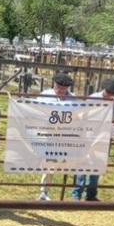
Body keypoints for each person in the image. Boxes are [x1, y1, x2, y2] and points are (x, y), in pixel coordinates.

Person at [71, 78, 114, 201]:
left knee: (97, 165)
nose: (111, 95)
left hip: (104, 138)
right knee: (83, 164)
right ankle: (76, 194)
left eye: (113, 93)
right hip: (88, 136)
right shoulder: (93, 98)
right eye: (109, 92)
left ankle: (91, 194)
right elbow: (82, 116)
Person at [36, 71, 76, 201]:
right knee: (47, 162)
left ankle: (44, 191)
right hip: (45, 133)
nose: (62, 90)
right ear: (55, 85)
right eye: (60, 87)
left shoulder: (73, 98)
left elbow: (76, 115)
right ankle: (43, 191)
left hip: (62, 135)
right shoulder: (44, 96)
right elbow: (36, 112)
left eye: (64, 88)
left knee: (53, 164)